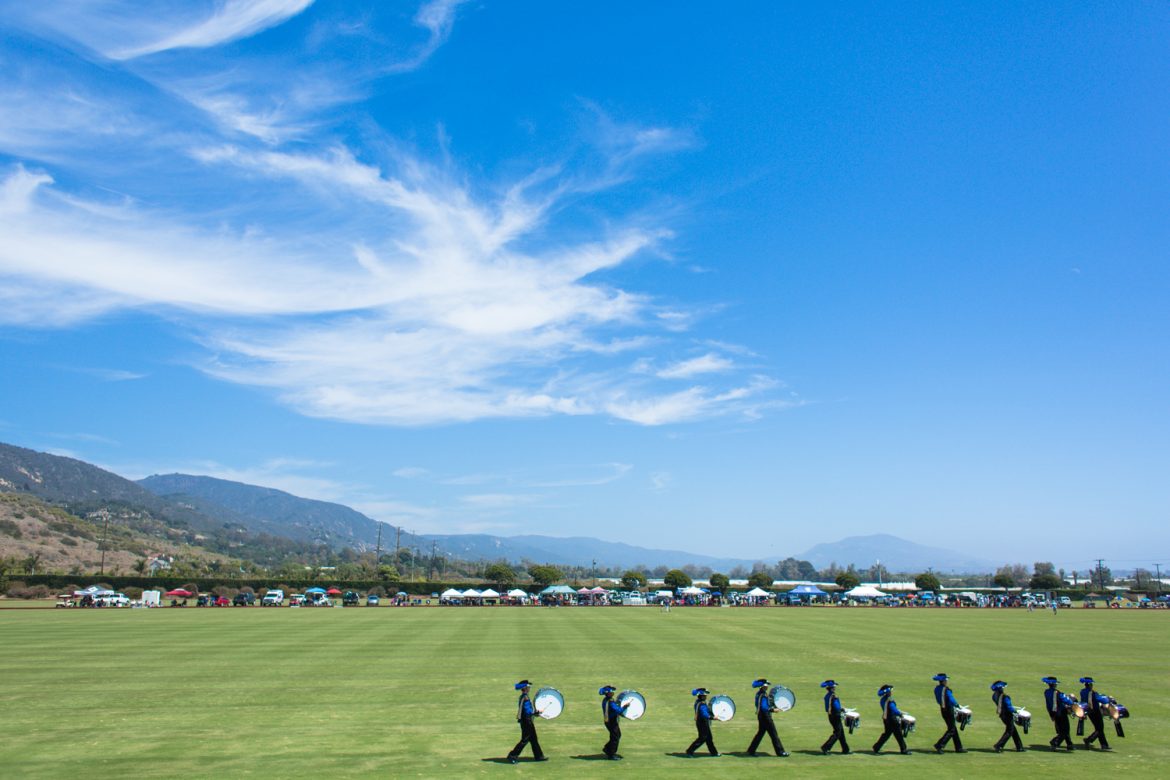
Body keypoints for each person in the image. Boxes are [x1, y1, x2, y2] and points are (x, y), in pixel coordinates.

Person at [506, 680, 547, 764]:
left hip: (526, 721)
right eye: (528, 687)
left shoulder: (524, 696)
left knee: (533, 739)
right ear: (525, 688)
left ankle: (539, 756)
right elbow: (528, 711)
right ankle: (512, 755)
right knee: (525, 740)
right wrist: (538, 712)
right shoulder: (525, 698)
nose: (529, 688)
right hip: (527, 721)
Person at [746, 679, 789, 757]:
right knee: (774, 734)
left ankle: (751, 750)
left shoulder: (759, 694)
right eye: (766, 686)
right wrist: (772, 709)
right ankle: (780, 752)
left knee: (760, 734)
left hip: (761, 716)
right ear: (762, 687)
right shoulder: (763, 695)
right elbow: (764, 707)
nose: (767, 687)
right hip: (766, 717)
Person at [872, 684, 912, 754]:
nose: (891, 692)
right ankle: (903, 749)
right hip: (892, 719)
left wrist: (899, 711)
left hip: (886, 719)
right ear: (888, 692)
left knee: (886, 734)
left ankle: (876, 747)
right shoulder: (890, 700)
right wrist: (900, 714)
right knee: (899, 734)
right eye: (890, 691)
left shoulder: (882, 700)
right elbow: (893, 709)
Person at [931, 673, 966, 753]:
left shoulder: (936, 689)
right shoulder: (946, 690)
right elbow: (951, 699)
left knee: (953, 728)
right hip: (948, 709)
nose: (947, 681)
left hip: (942, 709)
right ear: (943, 681)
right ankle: (939, 745)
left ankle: (958, 747)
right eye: (946, 680)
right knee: (951, 729)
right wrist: (958, 705)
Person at [991, 680, 1026, 752]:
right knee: (1009, 731)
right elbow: (1009, 707)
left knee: (1013, 730)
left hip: (1001, 715)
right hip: (1008, 715)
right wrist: (1016, 711)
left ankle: (1019, 747)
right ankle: (999, 745)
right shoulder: (1005, 696)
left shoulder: (994, 696)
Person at [1079, 677, 1112, 750]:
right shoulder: (1093, 693)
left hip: (1089, 711)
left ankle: (1104, 745)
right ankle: (1088, 740)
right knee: (1100, 728)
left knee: (1098, 728)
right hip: (1095, 711)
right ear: (1090, 684)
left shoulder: (1082, 691)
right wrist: (1108, 699)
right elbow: (1100, 699)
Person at [1043, 676, 1075, 751]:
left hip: (1052, 712)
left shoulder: (1046, 692)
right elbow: (1068, 701)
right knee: (1065, 730)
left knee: (1062, 729)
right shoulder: (1058, 693)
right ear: (1054, 684)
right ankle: (1055, 742)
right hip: (1061, 712)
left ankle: (1069, 744)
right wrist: (1072, 699)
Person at [685, 688, 719, 756]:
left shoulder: (699, 702)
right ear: (702, 696)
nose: (706, 696)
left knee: (709, 738)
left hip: (702, 722)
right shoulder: (702, 704)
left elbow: (706, 711)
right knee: (702, 738)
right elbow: (704, 714)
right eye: (705, 695)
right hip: (702, 723)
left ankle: (714, 753)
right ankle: (689, 751)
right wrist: (712, 717)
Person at [820, 680, 851, 754]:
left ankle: (845, 749)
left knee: (841, 732)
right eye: (834, 687)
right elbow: (837, 707)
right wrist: (844, 710)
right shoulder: (833, 696)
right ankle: (825, 747)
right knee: (837, 733)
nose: (835, 688)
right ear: (831, 688)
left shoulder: (827, 696)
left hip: (831, 716)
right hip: (835, 716)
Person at [599, 686, 629, 760]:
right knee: (615, 737)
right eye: (611, 692)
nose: (613, 693)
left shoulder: (606, 700)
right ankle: (611, 754)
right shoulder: (610, 702)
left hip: (608, 721)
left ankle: (607, 749)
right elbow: (618, 710)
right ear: (608, 694)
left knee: (617, 735)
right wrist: (625, 706)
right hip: (611, 722)